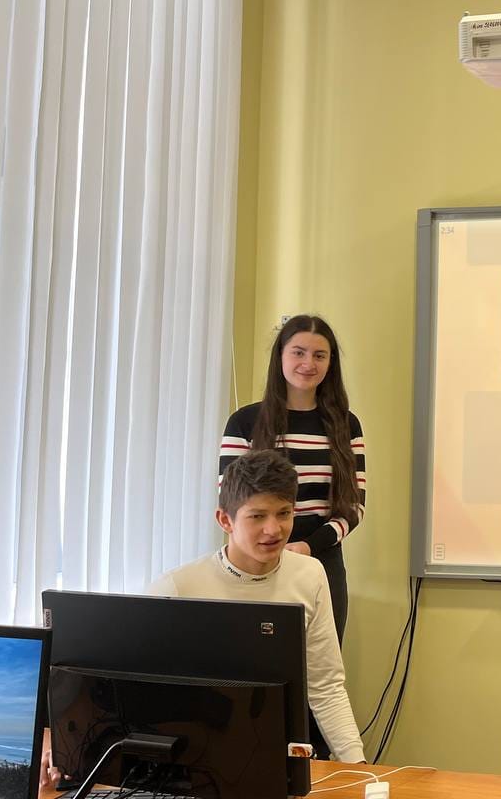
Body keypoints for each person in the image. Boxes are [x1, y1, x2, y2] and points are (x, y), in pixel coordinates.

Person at [152, 449, 366, 763]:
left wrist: (357, 765)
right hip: (193, 757)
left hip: (278, 755)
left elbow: (326, 687)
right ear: (225, 520)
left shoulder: (309, 575)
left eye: (284, 513)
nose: (273, 529)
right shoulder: (177, 588)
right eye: (257, 516)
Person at [220, 314, 366, 643]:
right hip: (254, 560)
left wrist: (308, 547)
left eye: (319, 355)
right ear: (281, 356)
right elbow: (230, 502)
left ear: (331, 362)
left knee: (320, 664)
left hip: (322, 559)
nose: (308, 364)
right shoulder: (244, 422)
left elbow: (354, 507)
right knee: (252, 660)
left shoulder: (346, 425)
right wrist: (269, 545)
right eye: (298, 352)